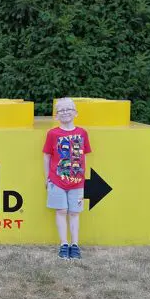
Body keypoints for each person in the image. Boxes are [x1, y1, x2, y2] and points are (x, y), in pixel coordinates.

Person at [43, 98, 91, 259]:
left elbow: (84, 156)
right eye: (61, 110)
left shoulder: (82, 133)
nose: (65, 112)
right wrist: (47, 177)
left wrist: (84, 176)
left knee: (74, 213)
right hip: (57, 180)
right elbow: (47, 156)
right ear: (56, 116)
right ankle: (64, 244)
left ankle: (75, 244)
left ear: (75, 112)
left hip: (77, 182)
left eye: (68, 109)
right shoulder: (52, 134)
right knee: (61, 210)